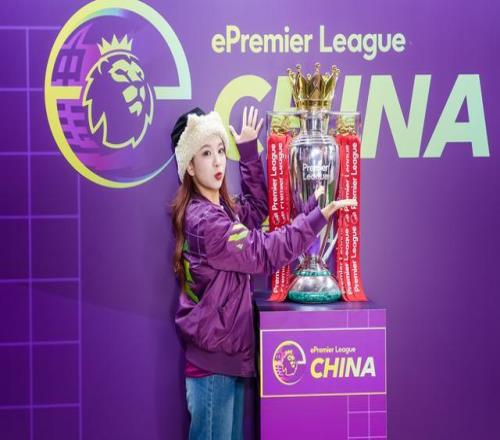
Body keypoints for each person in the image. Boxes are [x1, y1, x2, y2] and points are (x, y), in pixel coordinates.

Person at [170, 106, 356, 439]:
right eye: (206, 153)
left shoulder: (222, 210)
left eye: (220, 151)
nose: (217, 162)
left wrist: (247, 151)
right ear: (190, 167)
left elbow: (257, 210)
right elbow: (263, 252)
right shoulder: (207, 222)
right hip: (212, 367)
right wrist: (316, 220)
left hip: (227, 359)